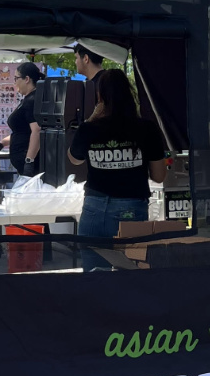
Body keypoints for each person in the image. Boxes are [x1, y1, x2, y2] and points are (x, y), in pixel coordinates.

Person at [68, 68, 167, 271]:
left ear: (100, 96)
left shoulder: (89, 129)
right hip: (131, 209)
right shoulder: (146, 129)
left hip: (93, 209)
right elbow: (159, 176)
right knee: (128, 277)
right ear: (130, 94)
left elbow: (74, 159)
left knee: (93, 278)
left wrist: (90, 120)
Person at [0, 62, 43, 175]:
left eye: (16, 78)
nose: (14, 82)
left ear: (26, 79)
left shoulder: (32, 100)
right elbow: (22, 132)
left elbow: (37, 131)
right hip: (22, 163)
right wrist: (2, 143)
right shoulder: (28, 99)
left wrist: (29, 161)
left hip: (30, 164)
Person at [73, 43, 104, 119]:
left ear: (86, 58)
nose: (75, 62)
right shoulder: (88, 83)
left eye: (76, 58)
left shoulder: (106, 82)